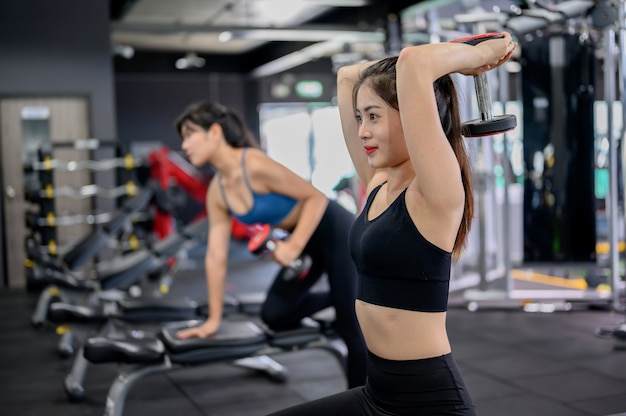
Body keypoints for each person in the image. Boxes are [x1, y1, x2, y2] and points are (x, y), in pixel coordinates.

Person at [267, 32, 517, 415]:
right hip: (377, 392)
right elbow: (348, 76)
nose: (362, 130)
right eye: (359, 117)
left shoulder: (435, 193)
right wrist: (394, 74)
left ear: (417, 118)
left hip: (428, 400)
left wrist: (478, 55)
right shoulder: (381, 181)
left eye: (374, 117)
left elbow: (415, 63)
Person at [174, 100, 367, 389]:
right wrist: (213, 321)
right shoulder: (218, 191)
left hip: (333, 227)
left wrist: (293, 245)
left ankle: (360, 402)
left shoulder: (252, 163)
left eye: (190, 134)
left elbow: (315, 198)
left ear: (214, 132)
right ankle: (344, 294)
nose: (185, 145)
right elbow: (215, 255)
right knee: (275, 315)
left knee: (351, 328)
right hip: (306, 241)